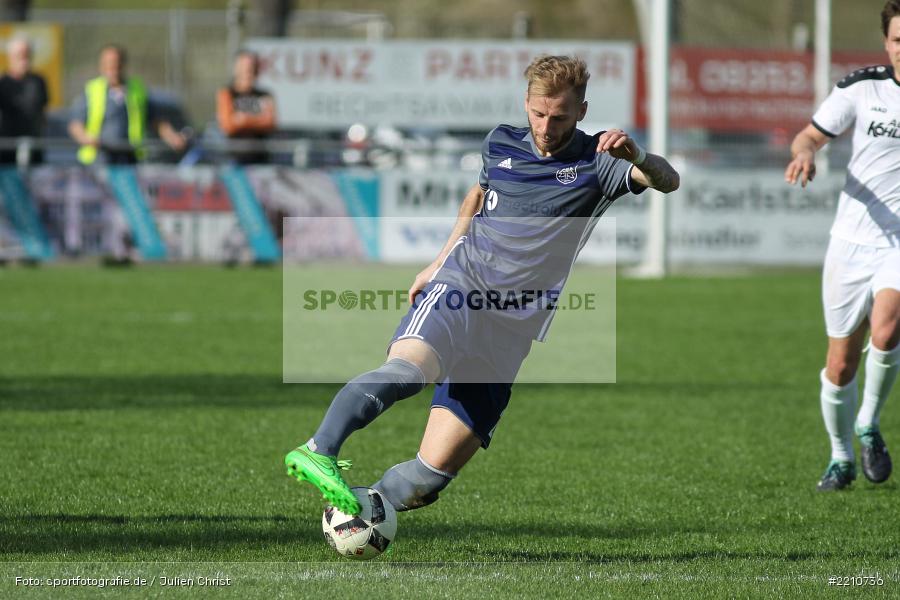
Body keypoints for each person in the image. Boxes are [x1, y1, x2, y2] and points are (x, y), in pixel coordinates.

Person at [284, 55, 680, 516]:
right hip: (461, 288)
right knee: (408, 372)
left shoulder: (599, 162)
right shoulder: (500, 141)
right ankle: (320, 448)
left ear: (583, 112)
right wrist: (438, 262)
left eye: (560, 117)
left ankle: (361, 513)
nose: (547, 127)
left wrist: (639, 156)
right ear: (526, 103)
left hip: (514, 326)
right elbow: (476, 196)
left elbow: (667, 182)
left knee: (429, 477)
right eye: (538, 113)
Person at [785, 0, 900, 491]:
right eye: (899, 40)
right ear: (887, 43)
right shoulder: (862, 87)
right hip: (851, 241)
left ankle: (868, 424)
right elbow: (807, 137)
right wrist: (806, 155)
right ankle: (840, 457)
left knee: (888, 327)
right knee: (840, 362)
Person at [68, 44, 186, 165]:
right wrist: (86, 138)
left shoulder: (137, 90)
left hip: (130, 157)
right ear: (102, 66)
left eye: (116, 65)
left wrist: (172, 137)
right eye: (109, 65)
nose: (113, 70)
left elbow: (156, 120)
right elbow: (76, 125)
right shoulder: (92, 90)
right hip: (99, 158)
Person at [215, 50, 276, 164]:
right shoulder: (227, 93)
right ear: (236, 69)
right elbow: (227, 125)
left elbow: (270, 122)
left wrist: (244, 120)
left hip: (261, 159)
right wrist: (257, 119)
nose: (248, 71)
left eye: (251, 67)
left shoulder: (265, 95)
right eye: (244, 67)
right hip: (234, 159)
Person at [0, 36, 48, 164]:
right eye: (20, 55)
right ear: (11, 57)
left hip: (34, 144)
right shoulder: (3, 83)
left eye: (27, 55)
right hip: (8, 146)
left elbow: (43, 111)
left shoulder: (38, 82)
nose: (24, 59)